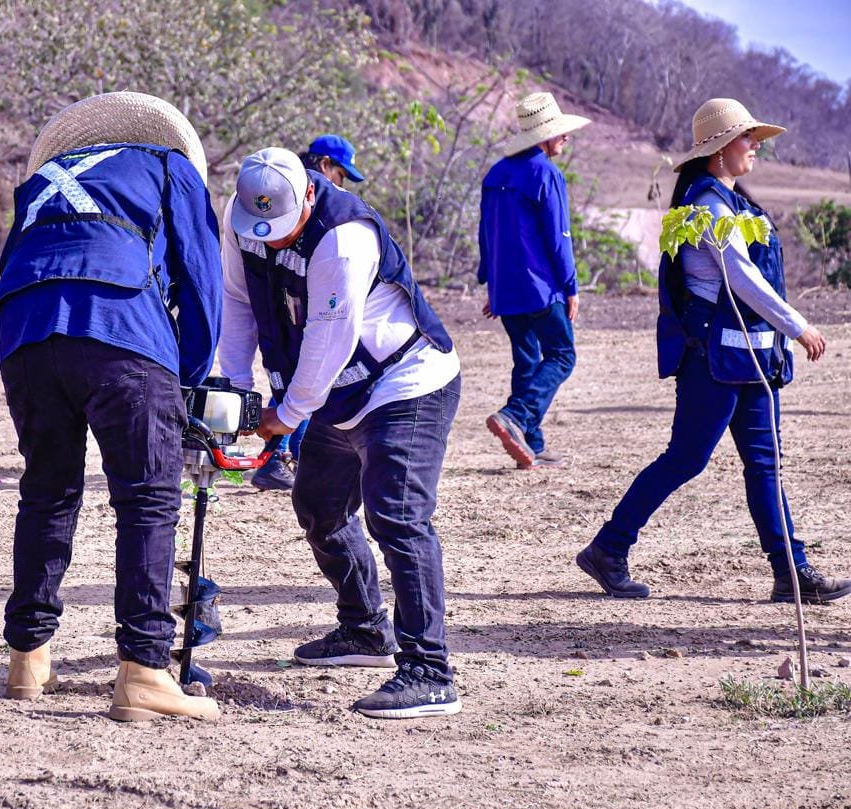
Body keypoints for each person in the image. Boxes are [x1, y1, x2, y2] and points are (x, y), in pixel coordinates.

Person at [0, 92, 224, 721]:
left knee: (47, 491)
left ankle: (28, 658)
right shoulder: (170, 167)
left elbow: (15, 267)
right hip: (120, 329)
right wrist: (187, 384)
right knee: (148, 498)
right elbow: (202, 283)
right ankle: (144, 670)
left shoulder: (43, 181)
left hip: (24, 336)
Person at [576, 97, 848, 604]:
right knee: (686, 458)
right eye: (749, 138)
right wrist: (798, 326)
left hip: (750, 360)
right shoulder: (706, 209)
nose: (757, 147)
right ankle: (608, 549)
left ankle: (791, 572)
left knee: (765, 465)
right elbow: (742, 279)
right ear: (721, 148)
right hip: (713, 362)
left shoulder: (735, 203)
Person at [220, 147, 462, 718]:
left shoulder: (344, 237)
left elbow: (330, 338)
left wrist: (285, 414)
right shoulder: (241, 219)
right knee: (320, 506)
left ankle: (430, 672)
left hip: (404, 383)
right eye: (263, 230)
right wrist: (234, 391)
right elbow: (237, 302)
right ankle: (365, 629)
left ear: (309, 192)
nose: (274, 240)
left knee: (397, 516)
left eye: (284, 227)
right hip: (337, 392)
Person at [477, 92, 591, 469]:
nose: (566, 137)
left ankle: (532, 444)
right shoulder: (546, 173)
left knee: (526, 362)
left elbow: (486, 232)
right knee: (561, 355)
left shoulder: (495, 174)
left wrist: (490, 281)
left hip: (506, 288)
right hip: (541, 287)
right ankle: (516, 415)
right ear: (543, 136)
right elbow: (559, 237)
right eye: (560, 132)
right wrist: (571, 287)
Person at [252, 133, 367, 492]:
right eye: (340, 174)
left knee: (298, 377)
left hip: (286, 300)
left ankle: (288, 455)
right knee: (305, 375)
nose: (341, 184)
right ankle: (279, 456)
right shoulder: (300, 205)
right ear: (324, 165)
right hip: (294, 300)